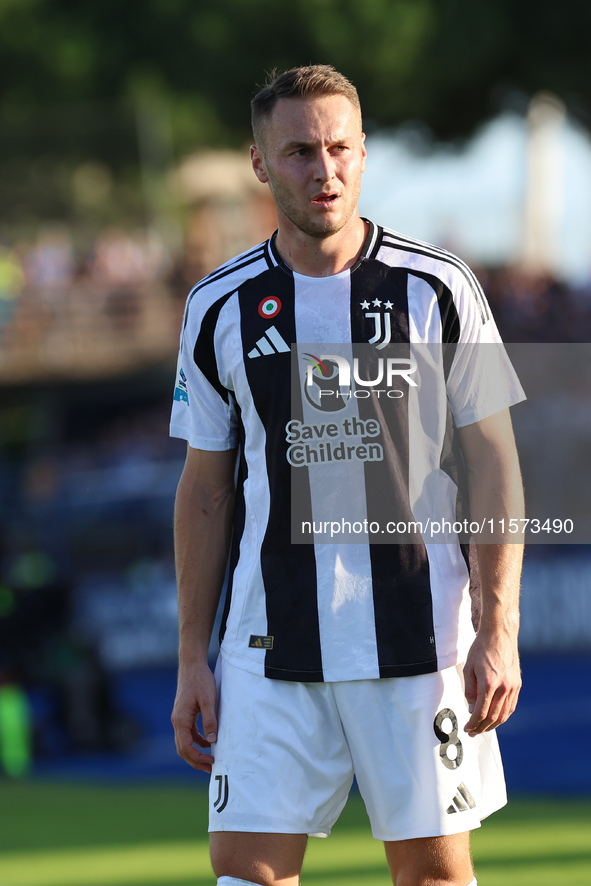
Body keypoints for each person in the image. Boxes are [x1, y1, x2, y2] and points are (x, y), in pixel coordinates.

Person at [170, 64, 525, 886]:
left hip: (420, 636)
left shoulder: (436, 287)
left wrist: (495, 628)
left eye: (338, 148)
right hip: (268, 643)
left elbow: (495, 462)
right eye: (297, 151)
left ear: (364, 153)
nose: (322, 171)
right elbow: (204, 489)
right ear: (259, 163)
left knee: (433, 878)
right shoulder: (218, 305)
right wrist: (194, 654)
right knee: (243, 876)